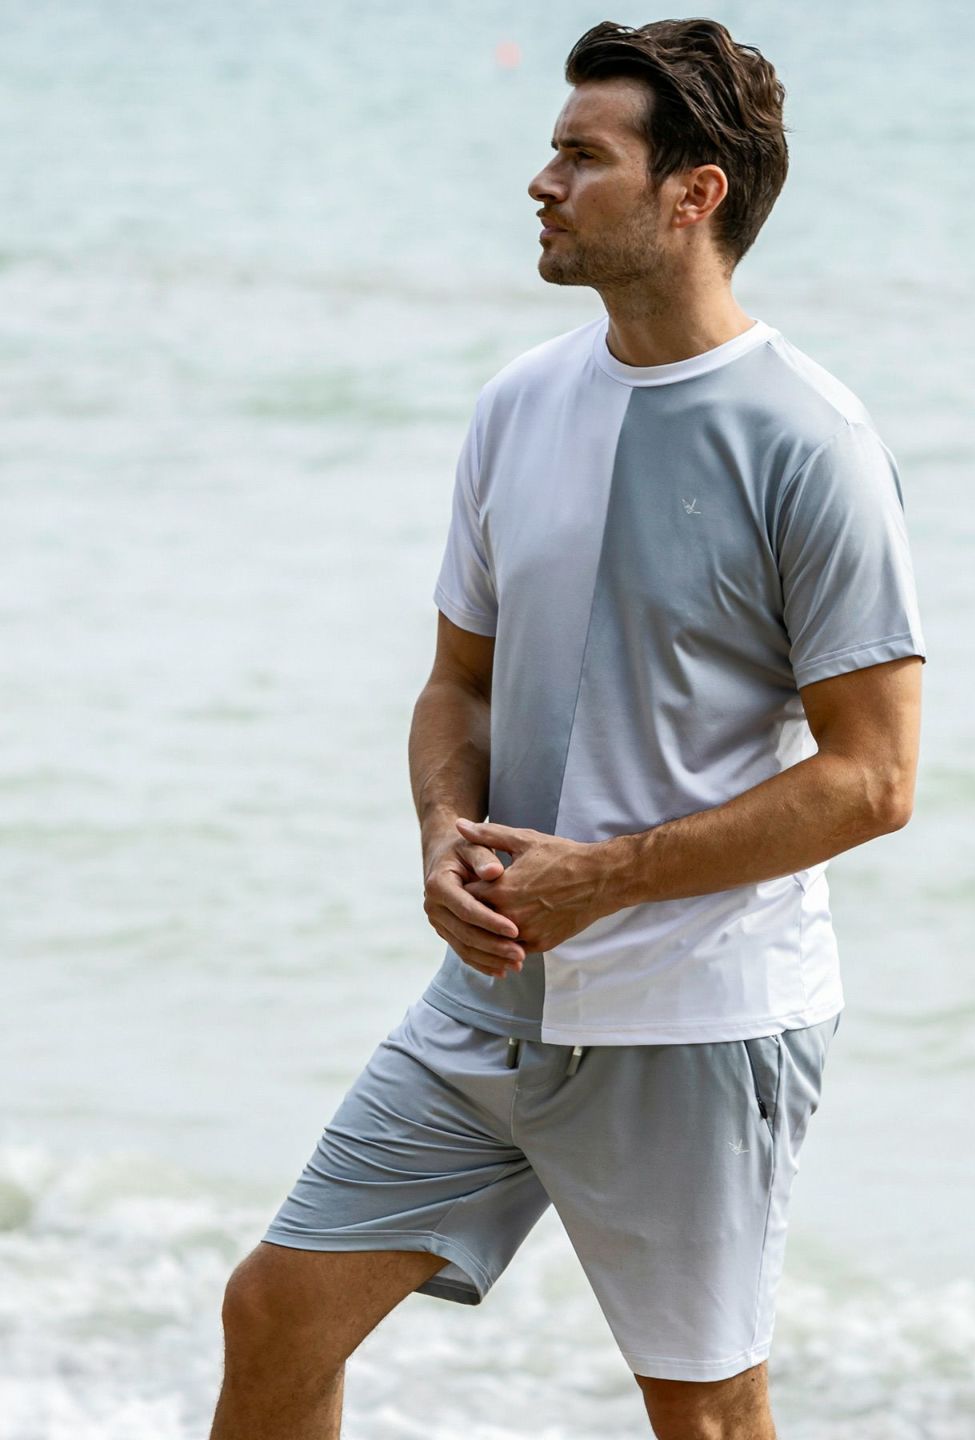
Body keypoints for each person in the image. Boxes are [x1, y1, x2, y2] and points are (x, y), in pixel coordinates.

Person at [209, 18, 926, 1440]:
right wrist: (440, 835)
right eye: (552, 151)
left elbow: (874, 778)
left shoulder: (814, 441)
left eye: (582, 157)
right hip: (490, 998)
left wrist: (604, 877)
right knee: (277, 1312)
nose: (541, 182)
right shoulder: (519, 404)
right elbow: (458, 685)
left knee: (703, 1416)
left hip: (697, 1017)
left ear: (693, 193)